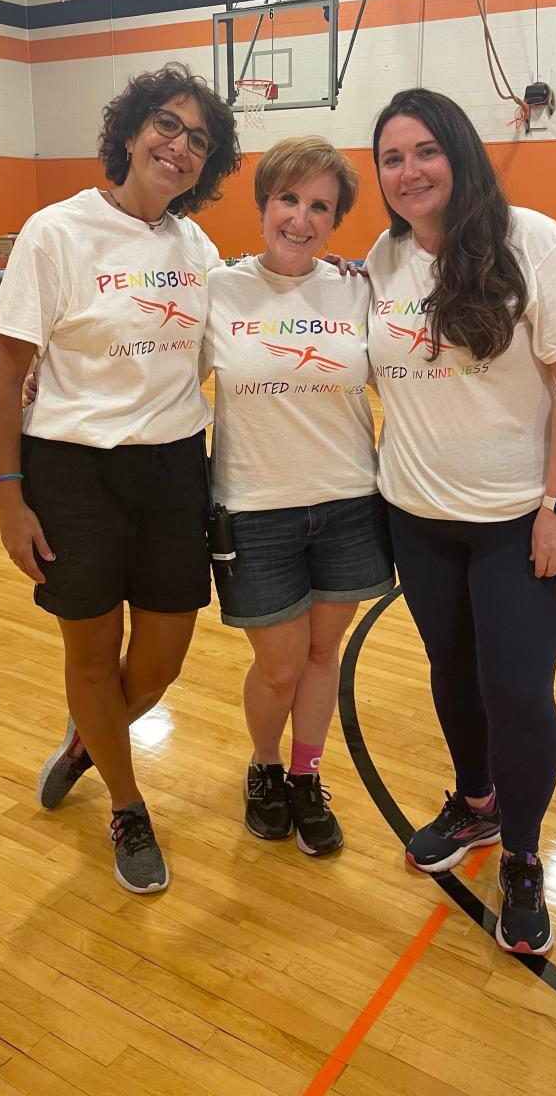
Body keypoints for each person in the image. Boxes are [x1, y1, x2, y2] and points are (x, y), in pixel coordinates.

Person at [0, 62, 239, 895]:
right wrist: (9, 495)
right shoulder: (55, 232)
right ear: (129, 132)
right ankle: (127, 807)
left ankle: (86, 742)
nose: (179, 145)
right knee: (91, 656)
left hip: (172, 471)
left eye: (198, 139)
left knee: (160, 661)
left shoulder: (197, 247)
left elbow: (234, 340)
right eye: (167, 124)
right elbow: (5, 366)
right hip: (73, 474)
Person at [365, 88, 556, 955]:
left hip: (521, 517)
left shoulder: (531, 240)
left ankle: (525, 857)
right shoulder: (383, 259)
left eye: (424, 150)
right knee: (451, 671)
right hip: (419, 516)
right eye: (391, 157)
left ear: (460, 154)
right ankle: (476, 808)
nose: (408, 171)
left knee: (515, 691)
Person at [202, 136, 395, 856]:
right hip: (255, 510)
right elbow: (161, 378)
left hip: (349, 503)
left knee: (323, 656)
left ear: (335, 219)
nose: (301, 219)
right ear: (264, 204)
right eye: (289, 199)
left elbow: (403, 373)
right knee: (278, 665)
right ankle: (265, 766)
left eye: (320, 206)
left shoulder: (357, 289)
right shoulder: (218, 289)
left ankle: (307, 775)